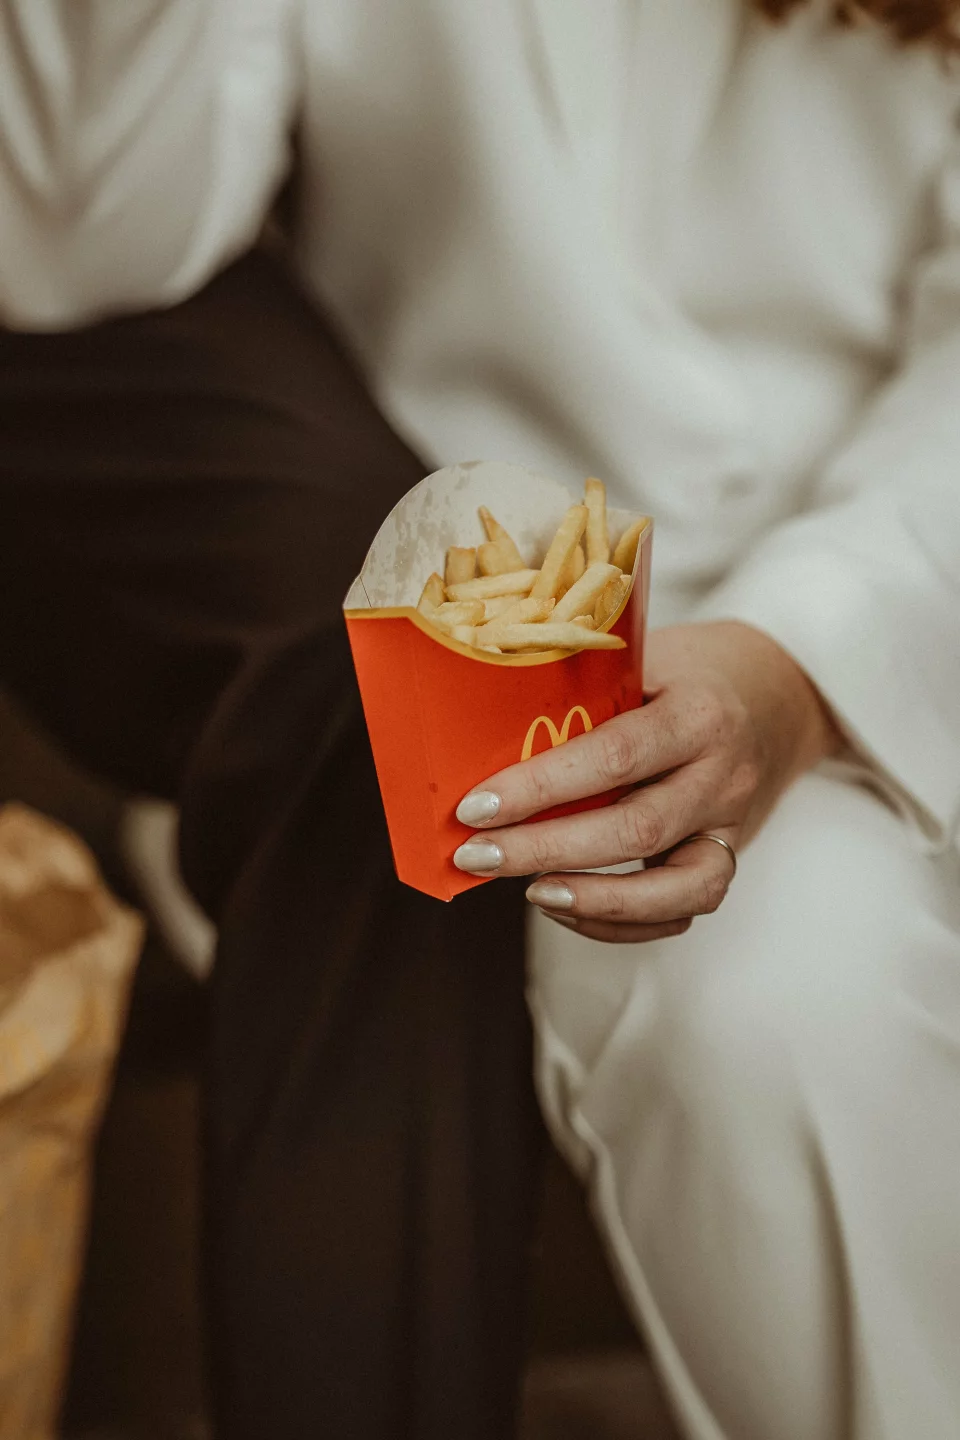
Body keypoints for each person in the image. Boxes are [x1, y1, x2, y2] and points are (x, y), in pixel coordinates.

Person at [3, 2, 959, 1438]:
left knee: (779, 996)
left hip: (905, 590)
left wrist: (803, 662)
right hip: (488, 643)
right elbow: (77, 242)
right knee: (761, 1002)